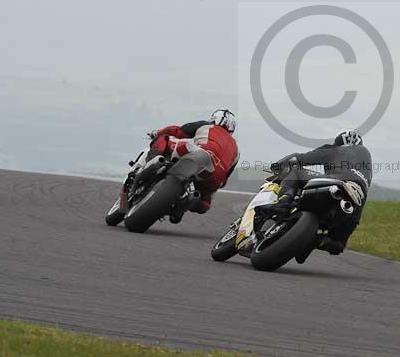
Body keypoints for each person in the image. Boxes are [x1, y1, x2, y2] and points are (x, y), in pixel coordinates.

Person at [263, 128, 372, 256]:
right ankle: (315, 241)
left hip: (337, 183)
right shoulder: (367, 166)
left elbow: (299, 159)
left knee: (295, 172)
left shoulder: (335, 149)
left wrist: (276, 166)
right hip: (354, 207)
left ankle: (282, 204)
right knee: (336, 243)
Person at [116, 109, 239, 222]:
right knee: (205, 204)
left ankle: (152, 163)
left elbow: (177, 131)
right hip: (215, 177)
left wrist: (157, 133)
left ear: (214, 119)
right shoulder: (236, 151)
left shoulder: (207, 126)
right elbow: (227, 176)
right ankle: (183, 206)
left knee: (165, 138)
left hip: (201, 156)